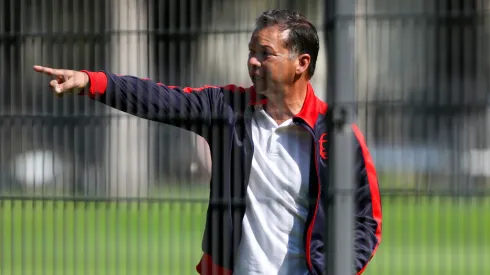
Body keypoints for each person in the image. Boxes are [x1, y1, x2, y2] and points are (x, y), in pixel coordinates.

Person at [33, 9, 382, 275]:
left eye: (265, 53)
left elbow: (368, 222)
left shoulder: (335, 134)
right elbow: (159, 99)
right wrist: (92, 81)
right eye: (251, 51)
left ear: (300, 64)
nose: (252, 62)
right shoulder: (227, 109)